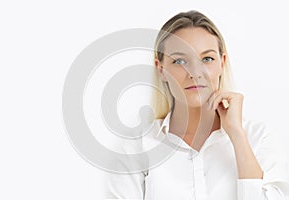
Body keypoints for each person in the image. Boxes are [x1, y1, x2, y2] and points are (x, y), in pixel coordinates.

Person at [103, 10, 289, 199]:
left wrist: (237, 135)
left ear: (222, 64)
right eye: (180, 61)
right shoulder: (137, 148)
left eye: (207, 59)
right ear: (160, 68)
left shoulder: (258, 138)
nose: (195, 72)